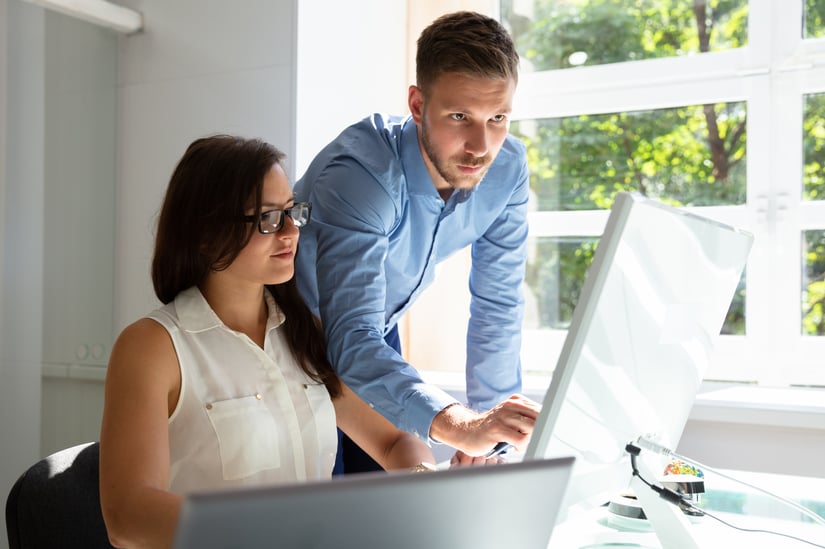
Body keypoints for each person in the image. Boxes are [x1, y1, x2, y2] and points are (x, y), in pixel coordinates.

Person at [98, 135, 436, 549]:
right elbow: (128, 514)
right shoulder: (152, 347)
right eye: (269, 218)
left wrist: (425, 487)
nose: (292, 231)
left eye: (293, 211)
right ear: (206, 234)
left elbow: (394, 440)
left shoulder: (305, 333)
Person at [293, 10, 540, 471]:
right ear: (418, 105)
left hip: (373, 328)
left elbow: (499, 304)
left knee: (393, 499)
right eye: (460, 116)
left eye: (498, 117)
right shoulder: (361, 176)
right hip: (290, 330)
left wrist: (492, 435)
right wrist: (459, 424)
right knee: (320, 499)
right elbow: (349, 336)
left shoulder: (507, 168)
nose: (481, 145)